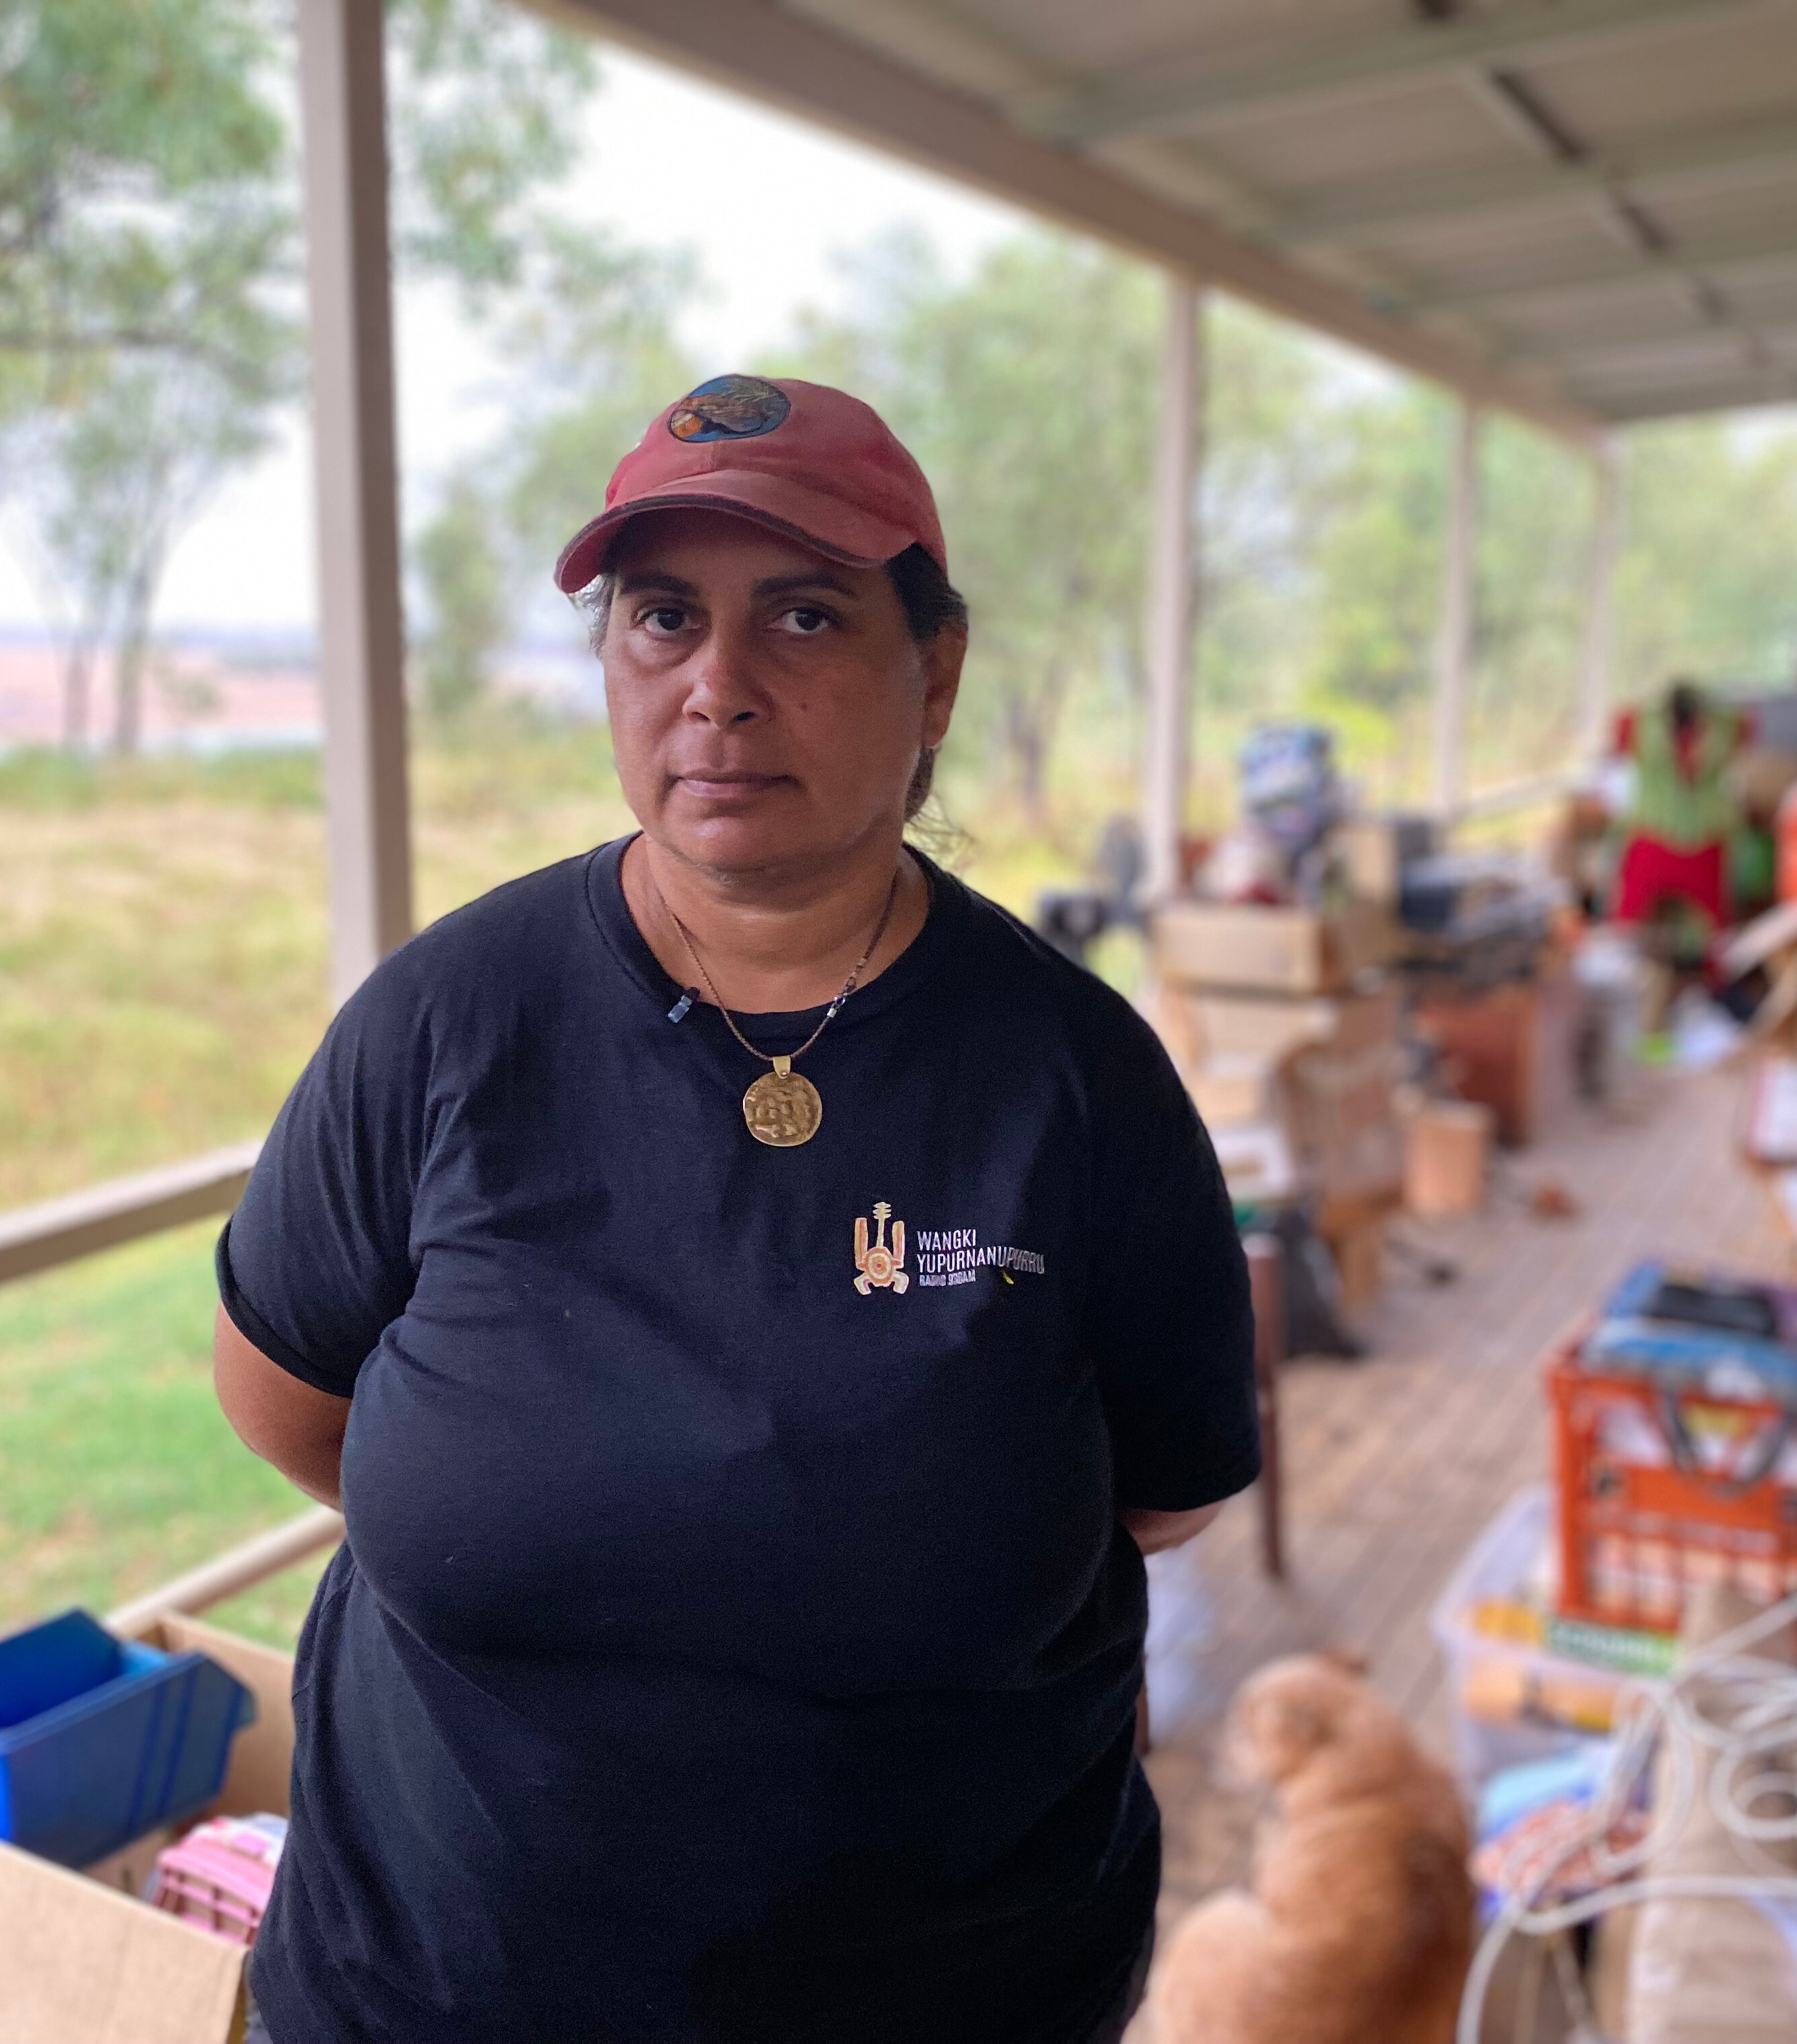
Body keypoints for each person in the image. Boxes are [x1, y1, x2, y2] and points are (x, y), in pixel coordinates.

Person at [211, 372, 1262, 2044]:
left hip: (952, 1996)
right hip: (431, 1994)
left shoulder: (1078, 1081)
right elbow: (283, 1397)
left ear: (937, 671)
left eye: (803, 615)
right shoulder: (443, 1028)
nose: (718, 688)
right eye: (660, 619)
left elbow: (1165, 1494)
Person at [1609, 677, 1749, 939]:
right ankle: (1624, 970)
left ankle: (1712, 973)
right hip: (1652, 837)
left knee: (1716, 928)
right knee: (1628, 921)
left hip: (1706, 840)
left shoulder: (1727, 724)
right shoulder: (1638, 722)